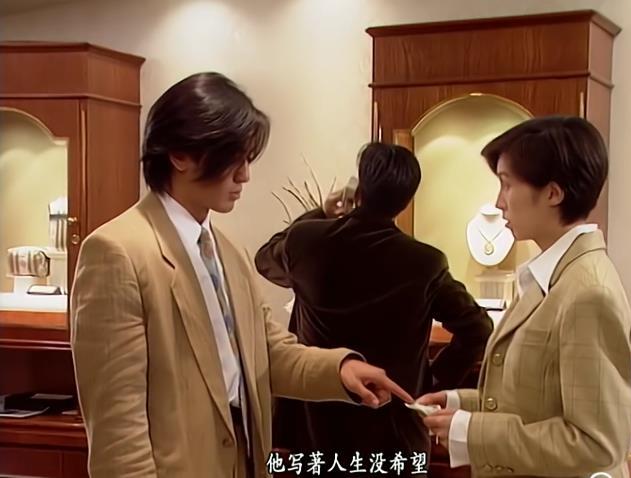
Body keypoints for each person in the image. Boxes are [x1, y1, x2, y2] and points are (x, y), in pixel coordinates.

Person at [70, 72, 412, 478]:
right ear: (180, 154)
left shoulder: (227, 251)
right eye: (234, 158)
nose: (245, 175)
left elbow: (267, 352)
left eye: (248, 159)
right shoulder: (117, 252)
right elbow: (118, 433)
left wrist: (340, 370)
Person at [255, 142, 493, 474]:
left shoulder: (307, 241)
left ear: (359, 189)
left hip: (314, 425)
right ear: (407, 200)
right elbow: (478, 328)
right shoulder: (425, 262)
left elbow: (265, 260)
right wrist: (432, 381)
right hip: (393, 429)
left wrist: (321, 212)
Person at [417, 116, 631, 478]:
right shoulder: (549, 276)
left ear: (553, 193)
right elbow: (535, 400)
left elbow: (596, 443)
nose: (498, 202)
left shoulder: (588, 293)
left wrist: (471, 430)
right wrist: (460, 403)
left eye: (507, 184)